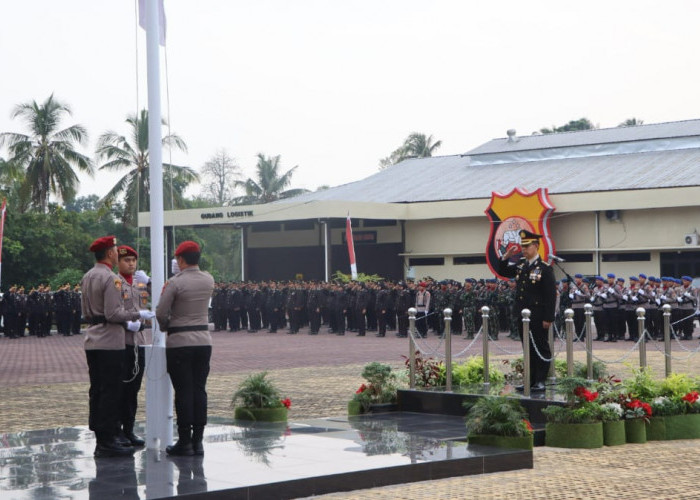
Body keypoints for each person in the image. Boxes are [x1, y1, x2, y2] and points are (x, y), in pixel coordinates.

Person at [81, 235, 151, 458]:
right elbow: (113, 313)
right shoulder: (112, 278)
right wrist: (137, 314)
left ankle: (104, 437)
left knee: (98, 390)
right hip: (111, 340)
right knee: (111, 391)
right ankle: (108, 438)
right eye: (116, 250)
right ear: (111, 254)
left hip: (93, 338)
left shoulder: (88, 275)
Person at [156, 241, 215, 456]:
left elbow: (161, 313)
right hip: (203, 341)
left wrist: (166, 327)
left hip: (180, 342)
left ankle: (185, 441)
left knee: (183, 391)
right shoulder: (209, 279)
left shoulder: (174, 283)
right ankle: (198, 441)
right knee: (199, 390)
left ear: (180, 260)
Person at [499, 229, 556, 392]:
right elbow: (502, 271)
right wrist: (507, 256)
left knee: (540, 346)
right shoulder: (521, 265)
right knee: (528, 347)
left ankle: (540, 380)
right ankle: (529, 380)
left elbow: (550, 295)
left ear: (536, 246)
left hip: (538, 315)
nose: (524, 250)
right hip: (522, 314)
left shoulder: (545, 268)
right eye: (523, 247)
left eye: (528, 246)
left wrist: (548, 317)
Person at [116, 245, 148, 447]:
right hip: (121, 340)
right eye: (127, 260)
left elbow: (163, 293)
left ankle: (129, 429)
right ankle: (117, 429)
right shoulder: (114, 282)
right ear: (118, 262)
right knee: (120, 387)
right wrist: (126, 323)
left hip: (139, 341)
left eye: (133, 260)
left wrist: (150, 281)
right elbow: (111, 310)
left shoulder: (140, 283)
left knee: (134, 388)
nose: (131, 264)